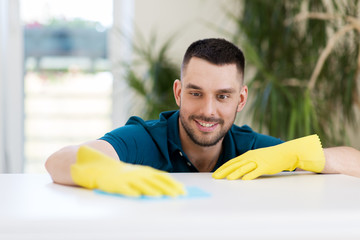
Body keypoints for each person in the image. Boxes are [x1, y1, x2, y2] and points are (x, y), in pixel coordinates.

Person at [45, 38, 360, 197]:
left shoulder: (252, 149)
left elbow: (354, 162)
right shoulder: (146, 139)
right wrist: (105, 173)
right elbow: (58, 161)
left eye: (223, 96)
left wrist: (295, 154)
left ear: (241, 99)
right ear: (179, 92)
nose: (209, 111)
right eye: (196, 93)